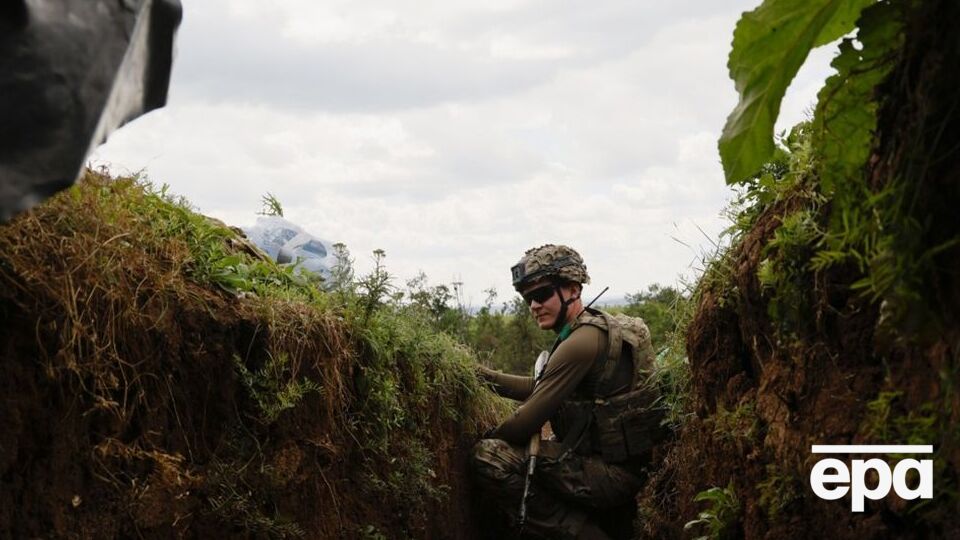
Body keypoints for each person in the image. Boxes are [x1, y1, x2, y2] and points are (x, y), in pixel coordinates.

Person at [471, 244, 664, 540]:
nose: (534, 305)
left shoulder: (580, 341)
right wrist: (480, 376)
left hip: (612, 478)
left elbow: (524, 423)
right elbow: (541, 386)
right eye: (527, 299)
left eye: (541, 294)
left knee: (489, 456)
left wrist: (488, 434)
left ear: (572, 289)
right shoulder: (594, 329)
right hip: (624, 468)